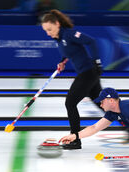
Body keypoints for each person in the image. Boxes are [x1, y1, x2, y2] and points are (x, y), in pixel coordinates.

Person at [41, 9, 103, 149]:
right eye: (46, 31)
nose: (48, 33)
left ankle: (75, 139)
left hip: (89, 72)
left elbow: (91, 41)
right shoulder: (58, 38)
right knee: (101, 103)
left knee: (70, 103)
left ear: (57, 24)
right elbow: (70, 51)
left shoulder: (68, 34)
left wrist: (97, 62)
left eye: (50, 29)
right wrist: (63, 61)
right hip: (86, 72)